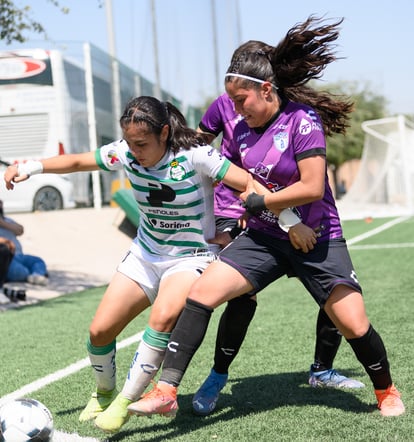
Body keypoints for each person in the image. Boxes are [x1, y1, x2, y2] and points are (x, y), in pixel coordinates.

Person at [129, 16, 405, 419]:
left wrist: (267, 206)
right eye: (233, 103)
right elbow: (238, 178)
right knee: (202, 294)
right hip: (265, 236)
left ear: (266, 89)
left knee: (353, 324)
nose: (236, 110)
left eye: (242, 101)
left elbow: (313, 186)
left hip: (318, 237)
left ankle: (386, 390)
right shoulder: (241, 129)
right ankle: (167, 390)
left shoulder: (302, 121)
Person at [4, 96, 313, 434]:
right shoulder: (124, 151)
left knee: (162, 319)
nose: (134, 150)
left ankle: (125, 401)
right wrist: (31, 167)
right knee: (99, 331)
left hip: (190, 257)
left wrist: (288, 219)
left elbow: (247, 184)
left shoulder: (196, 155)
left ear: (164, 132)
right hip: (145, 255)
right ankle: (104, 393)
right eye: (130, 142)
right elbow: (79, 162)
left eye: (142, 143)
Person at [192, 90, 363, 416]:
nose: (238, 101)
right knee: (241, 297)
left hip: (304, 216)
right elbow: (197, 150)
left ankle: (321, 370)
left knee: (336, 289)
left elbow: (310, 177)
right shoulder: (221, 107)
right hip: (241, 211)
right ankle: (217, 375)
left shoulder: (295, 115)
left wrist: (290, 218)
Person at [0, 200, 48, 285]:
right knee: (18, 271)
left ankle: (35, 275)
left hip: (20, 255)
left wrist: (3, 223)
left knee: (38, 261)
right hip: (7, 259)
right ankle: (33, 275)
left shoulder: (7, 220)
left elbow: (20, 230)